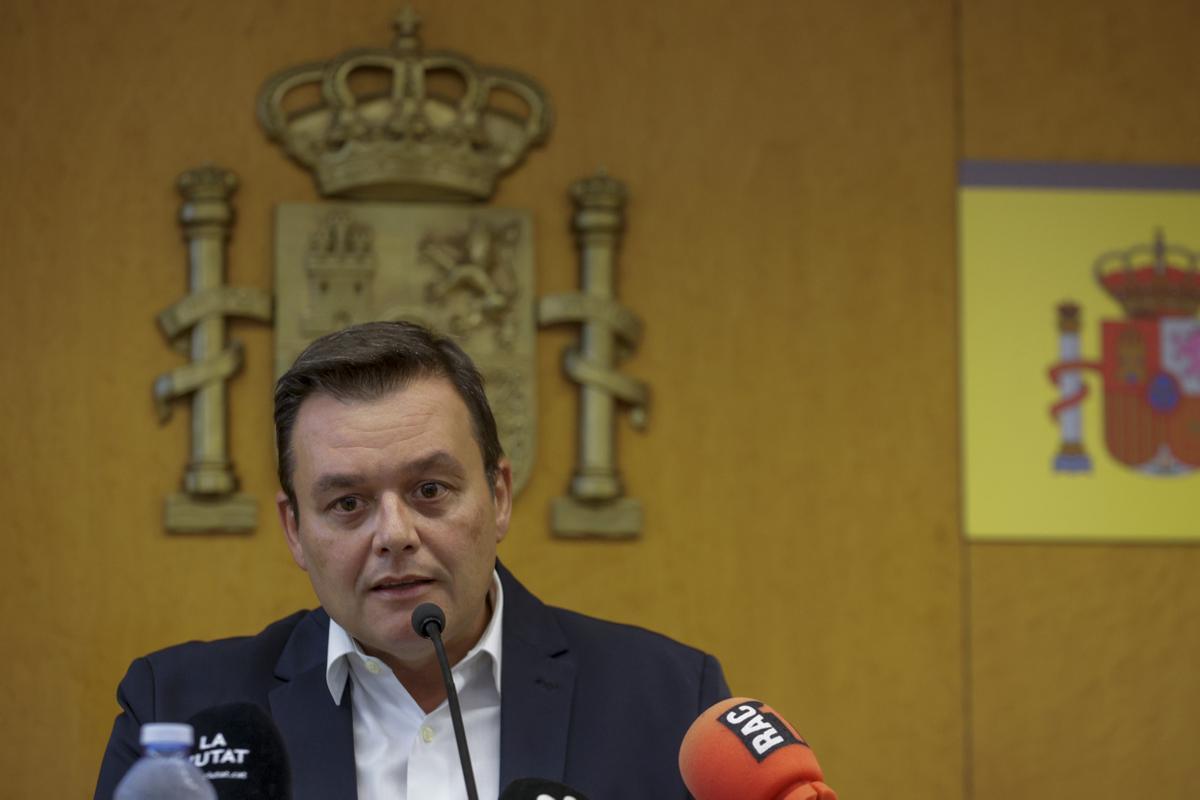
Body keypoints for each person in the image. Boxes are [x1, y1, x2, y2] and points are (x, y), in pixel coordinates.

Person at [95, 321, 730, 800]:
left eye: (430, 491)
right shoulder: (176, 711)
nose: (394, 534)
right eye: (347, 503)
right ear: (294, 530)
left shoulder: (669, 703)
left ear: (499, 496)